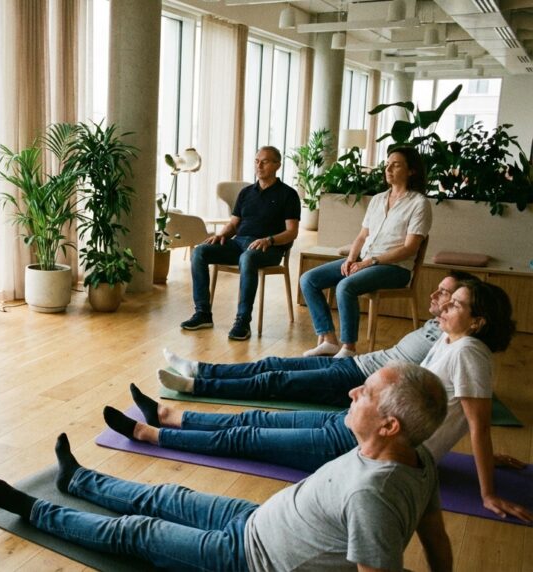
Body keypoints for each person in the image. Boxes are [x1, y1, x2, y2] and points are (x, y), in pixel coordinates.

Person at [110, 281, 533, 522]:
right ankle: (170, 414)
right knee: (256, 418)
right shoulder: (449, 339)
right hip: (357, 425)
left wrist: (488, 492)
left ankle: (154, 434)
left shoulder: (470, 354)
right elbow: (455, 414)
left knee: (247, 438)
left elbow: (475, 421)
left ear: (478, 321)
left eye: (455, 303)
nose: (443, 306)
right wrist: (489, 457)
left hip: (365, 449)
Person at [0, 361, 452, 571]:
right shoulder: (419, 457)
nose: (352, 392)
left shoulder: (372, 495)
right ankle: (76, 478)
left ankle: (35, 511)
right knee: (166, 496)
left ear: (389, 425)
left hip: (248, 559)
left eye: (365, 393)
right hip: (255, 521)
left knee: (137, 531)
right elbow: (434, 532)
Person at [159, 270, 477, 407]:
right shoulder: (437, 326)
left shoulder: (453, 342)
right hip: (358, 364)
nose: (435, 294)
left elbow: (440, 388)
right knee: (273, 362)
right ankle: (200, 369)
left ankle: (198, 386)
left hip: (362, 379)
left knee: (275, 381)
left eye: (446, 293)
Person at [300, 146, 433, 359]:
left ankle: (349, 348)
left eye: (396, 165)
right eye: (387, 164)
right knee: (309, 279)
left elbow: (410, 248)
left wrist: (369, 262)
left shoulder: (419, 204)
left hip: (395, 268)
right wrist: (351, 258)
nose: (388, 169)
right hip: (365, 260)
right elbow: (362, 236)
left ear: (411, 171)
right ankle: (329, 340)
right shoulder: (378, 199)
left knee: (346, 286)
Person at [181, 146, 300, 341]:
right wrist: (222, 235)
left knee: (248, 258)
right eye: (256, 160)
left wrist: (269, 240)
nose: (259, 165)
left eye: (265, 161)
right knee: (200, 252)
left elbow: (291, 232)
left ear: (277, 165)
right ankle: (203, 314)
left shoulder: (288, 194)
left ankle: (243, 321)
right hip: (239, 243)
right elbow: (234, 224)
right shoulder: (246, 193)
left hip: (269, 248)